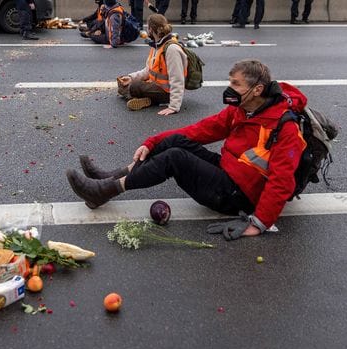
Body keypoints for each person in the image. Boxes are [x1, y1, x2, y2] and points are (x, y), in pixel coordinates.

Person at [66, 59, 309, 241]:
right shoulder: (244, 109)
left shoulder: (285, 127)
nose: (229, 88)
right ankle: (111, 176)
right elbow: (201, 130)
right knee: (175, 142)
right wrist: (153, 141)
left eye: (236, 84)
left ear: (257, 90)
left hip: (238, 194)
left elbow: (282, 180)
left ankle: (104, 191)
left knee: (175, 158)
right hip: (228, 172)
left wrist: (259, 223)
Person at [117, 14, 187, 115]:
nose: (147, 30)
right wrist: (130, 77)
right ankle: (149, 100)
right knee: (123, 85)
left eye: (148, 27)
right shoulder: (156, 46)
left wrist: (174, 107)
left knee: (134, 87)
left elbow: (177, 79)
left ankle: (151, 100)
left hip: (167, 92)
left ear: (152, 29)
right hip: (155, 86)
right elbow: (147, 71)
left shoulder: (172, 49)